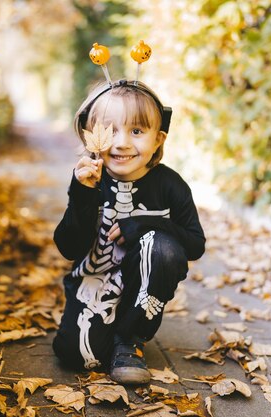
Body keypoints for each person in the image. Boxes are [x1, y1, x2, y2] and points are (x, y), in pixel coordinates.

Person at [52, 79, 206, 384]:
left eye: (136, 131)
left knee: (160, 245)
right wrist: (83, 196)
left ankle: (132, 338)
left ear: (158, 139)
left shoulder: (170, 185)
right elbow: (69, 248)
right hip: (95, 281)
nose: (122, 143)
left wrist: (147, 223)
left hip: (148, 278)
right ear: (91, 136)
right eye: (110, 131)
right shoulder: (88, 181)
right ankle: (113, 336)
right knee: (75, 355)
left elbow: (195, 245)